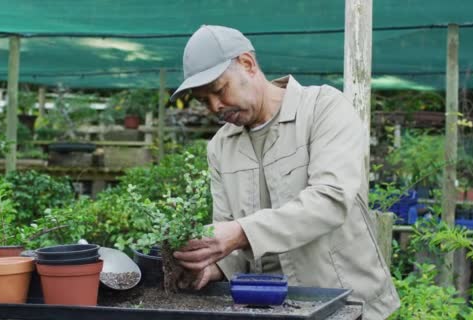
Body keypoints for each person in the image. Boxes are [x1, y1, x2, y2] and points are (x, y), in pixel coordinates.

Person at [169, 25, 400, 319]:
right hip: (270, 308)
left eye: (219, 90)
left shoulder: (323, 109)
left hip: (346, 305)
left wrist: (240, 233)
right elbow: (230, 242)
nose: (215, 106)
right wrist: (214, 266)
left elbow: (329, 201)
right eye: (204, 100)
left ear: (247, 64)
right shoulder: (220, 147)